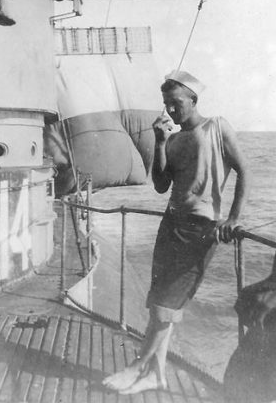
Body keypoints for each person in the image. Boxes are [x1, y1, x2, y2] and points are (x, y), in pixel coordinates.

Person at [103, 70, 249, 395]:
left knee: (166, 305)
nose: (170, 110)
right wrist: (159, 141)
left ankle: (137, 367)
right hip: (171, 224)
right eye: (166, 104)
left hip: (201, 229)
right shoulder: (175, 138)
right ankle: (155, 374)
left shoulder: (217, 127)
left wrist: (235, 217)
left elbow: (244, 171)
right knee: (160, 304)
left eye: (176, 102)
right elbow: (160, 185)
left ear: (194, 100)